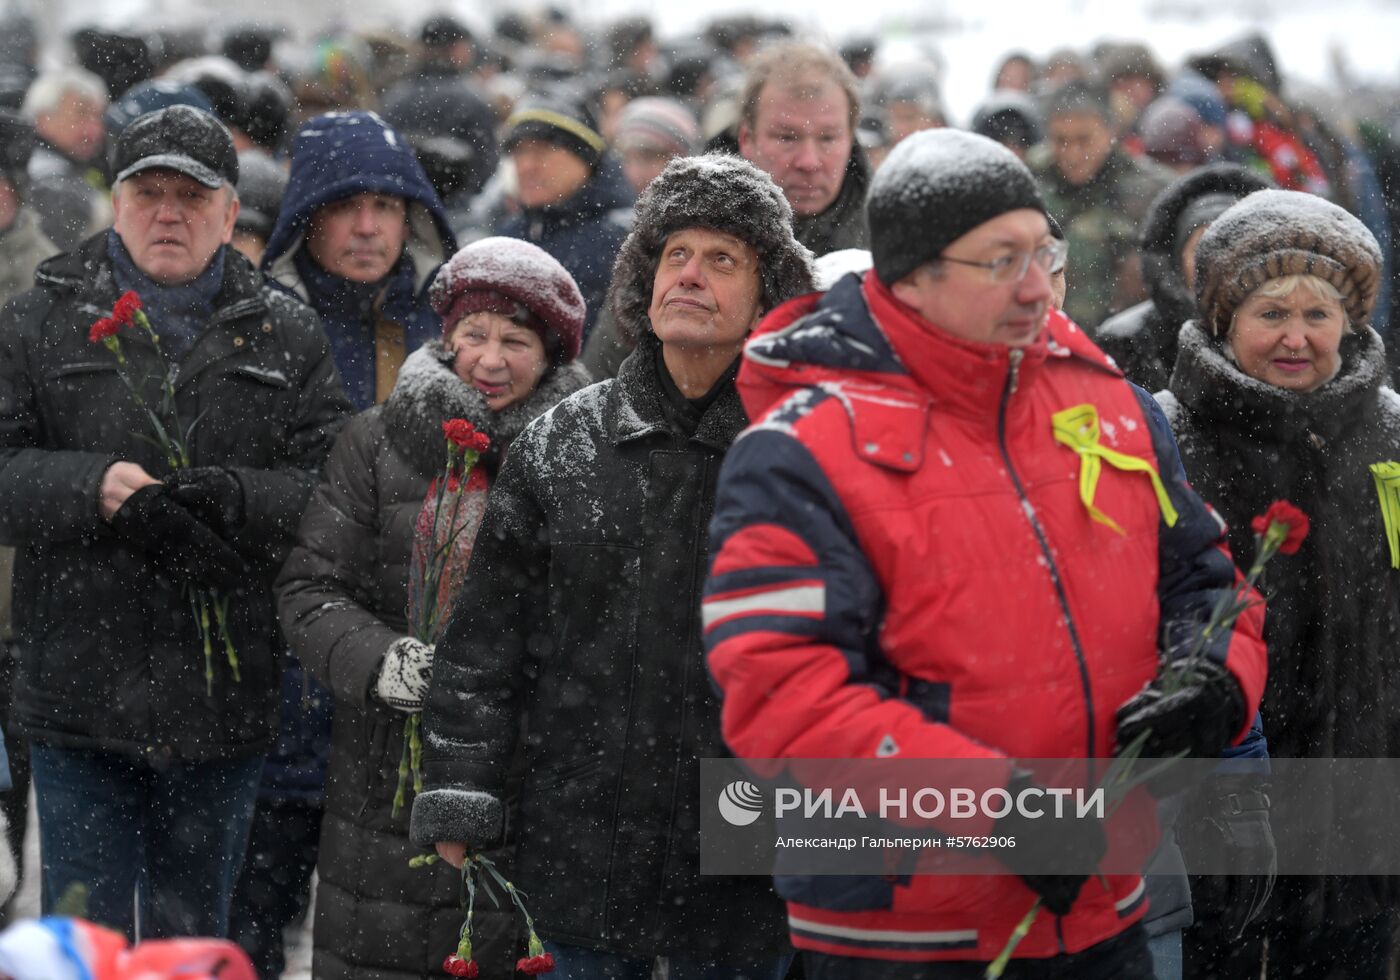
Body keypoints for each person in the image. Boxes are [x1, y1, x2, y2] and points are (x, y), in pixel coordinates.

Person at [701, 129, 1267, 977]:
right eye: (1000, 261)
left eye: (1044, 251)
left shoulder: (1108, 406)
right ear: (912, 279)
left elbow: (1206, 578)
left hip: (1103, 907)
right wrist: (996, 810)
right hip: (910, 932)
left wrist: (1214, 678)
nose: (1040, 286)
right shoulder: (802, 449)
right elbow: (788, 701)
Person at [411, 154, 816, 979]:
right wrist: (463, 782)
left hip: (751, 849)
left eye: (723, 259)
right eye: (675, 254)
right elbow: (484, 645)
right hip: (582, 836)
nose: (691, 276)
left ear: (767, 294)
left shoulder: (806, 449)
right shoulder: (563, 444)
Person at [0, 104, 350, 939]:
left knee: (191, 943)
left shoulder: (285, 329)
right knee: (82, 938)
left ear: (230, 214)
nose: (168, 213)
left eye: (192, 196)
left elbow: (331, 494)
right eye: (148, 191)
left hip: (220, 701)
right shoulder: (38, 317)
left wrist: (235, 495)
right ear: (113, 203)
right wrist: (94, 487)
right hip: (77, 692)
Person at [275, 237, 592, 979]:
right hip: (382, 785)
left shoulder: (580, 458)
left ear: (549, 358)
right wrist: (383, 660)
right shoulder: (376, 442)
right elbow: (310, 588)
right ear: (446, 340)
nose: (491, 359)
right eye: (475, 336)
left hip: (524, 784)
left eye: (517, 341)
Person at [1157, 189, 1400, 980]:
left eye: (1318, 316)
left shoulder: (1392, 434)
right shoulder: (1170, 436)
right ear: (1226, 320)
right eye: (1271, 314)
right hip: (1213, 812)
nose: (1296, 338)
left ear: (1351, 323)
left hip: (1363, 810)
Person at [264, 110, 456, 413]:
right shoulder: (264, 327)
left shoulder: (450, 315)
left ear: (409, 220)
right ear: (307, 220)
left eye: (384, 206)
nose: (366, 228)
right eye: (344, 206)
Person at [1097, 163, 1271, 393]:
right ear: (1179, 259)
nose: (1216, 261)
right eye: (1201, 248)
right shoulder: (1129, 341)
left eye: (1230, 246)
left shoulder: (1278, 332)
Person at [1030, 79, 1172, 330]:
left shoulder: (1151, 189)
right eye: (1060, 140)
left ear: (1110, 133)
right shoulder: (1028, 183)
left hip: (1124, 342)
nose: (1071, 153)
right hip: (1047, 337)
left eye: (1084, 140)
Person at [495, 96, 634, 343]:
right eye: (518, 152)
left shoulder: (625, 240)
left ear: (585, 159)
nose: (525, 165)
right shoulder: (510, 234)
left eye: (541, 151)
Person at [738, 40, 870, 256]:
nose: (809, 162)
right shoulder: (688, 240)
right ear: (746, 140)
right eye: (786, 138)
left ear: (851, 140)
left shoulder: (897, 244)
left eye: (828, 138)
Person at [21, 67, 110, 250]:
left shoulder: (77, 170)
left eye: (98, 116)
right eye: (82, 115)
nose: (95, 130)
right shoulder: (51, 187)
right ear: (43, 119)